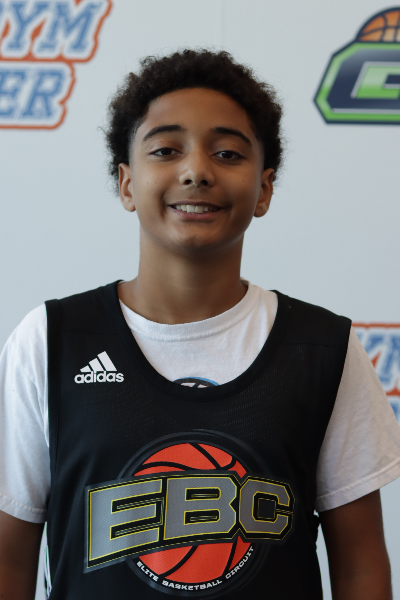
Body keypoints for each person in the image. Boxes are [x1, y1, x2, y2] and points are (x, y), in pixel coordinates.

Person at [1, 49, 400, 600]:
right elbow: (9, 558)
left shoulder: (323, 349)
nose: (196, 171)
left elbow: (360, 566)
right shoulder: (50, 340)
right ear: (126, 182)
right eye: (166, 150)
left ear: (264, 189)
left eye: (228, 153)